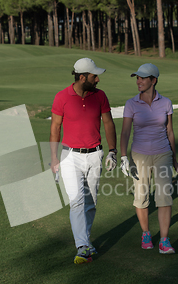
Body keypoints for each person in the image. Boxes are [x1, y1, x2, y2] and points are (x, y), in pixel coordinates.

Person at [50, 58, 117, 264]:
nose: (97, 79)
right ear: (82, 77)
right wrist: (54, 158)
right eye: (93, 76)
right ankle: (82, 247)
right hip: (70, 156)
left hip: (95, 154)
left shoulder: (100, 96)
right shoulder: (62, 97)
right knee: (77, 199)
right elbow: (55, 127)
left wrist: (113, 151)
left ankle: (86, 242)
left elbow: (108, 123)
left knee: (91, 203)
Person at [119, 63, 178, 254]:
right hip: (139, 155)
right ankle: (146, 233)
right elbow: (125, 132)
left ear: (153, 80)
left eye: (143, 78)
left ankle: (164, 240)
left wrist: (174, 159)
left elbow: (170, 131)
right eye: (137, 78)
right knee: (142, 196)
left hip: (163, 153)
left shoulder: (166, 103)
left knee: (164, 197)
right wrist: (123, 157)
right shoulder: (131, 104)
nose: (138, 81)